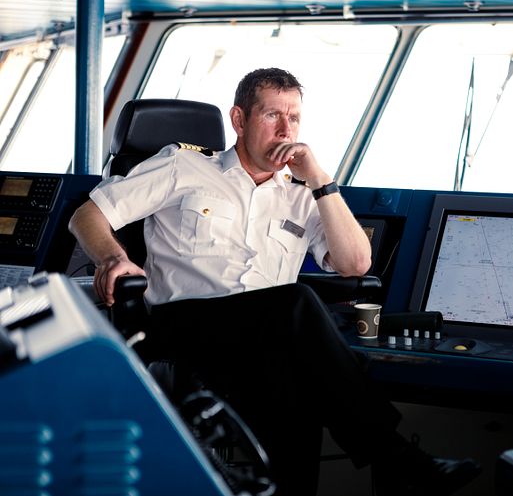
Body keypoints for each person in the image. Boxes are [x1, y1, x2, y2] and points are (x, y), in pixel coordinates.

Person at [69, 67, 481, 496]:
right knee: (296, 303)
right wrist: (115, 257)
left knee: (296, 382)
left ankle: (363, 470)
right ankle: (396, 456)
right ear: (239, 119)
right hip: (182, 326)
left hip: (262, 340)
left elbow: (357, 264)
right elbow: (88, 215)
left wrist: (321, 180)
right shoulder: (183, 166)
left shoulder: (303, 193)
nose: (286, 129)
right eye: (272, 116)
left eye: (295, 118)